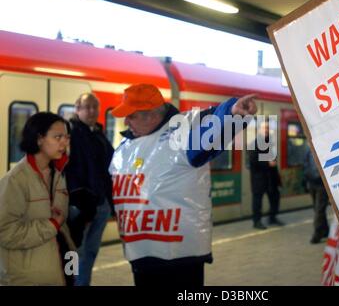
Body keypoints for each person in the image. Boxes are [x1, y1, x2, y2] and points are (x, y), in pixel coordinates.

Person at [109, 83, 257, 286]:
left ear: (151, 115)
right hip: (141, 251)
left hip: (179, 256)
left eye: (131, 116)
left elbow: (211, 129)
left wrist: (232, 113)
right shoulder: (126, 146)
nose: (125, 121)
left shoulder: (182, 134)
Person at [0, 112, 75, 285]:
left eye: (66, 137)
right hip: (27, 279)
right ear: (39, 139)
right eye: (58, 137)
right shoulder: (16, 180)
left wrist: (73, 267)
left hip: (63, 270)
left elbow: (62, 226)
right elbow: (5, 232)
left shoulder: (58, 174)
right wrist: (51, 225)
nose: (64, 142)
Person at [65, 93, 114, 286]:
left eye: (95, 107)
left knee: (91, 251)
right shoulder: (71, 134)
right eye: (87, 107)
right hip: (80, 206)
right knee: (75, 251)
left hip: (100, 205)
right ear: (77, 110)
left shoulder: (98, 134)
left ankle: (83, 284)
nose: (92, 111)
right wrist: (77, 197)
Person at [248, 121, 283, 230]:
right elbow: (253, 161)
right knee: (257, 200)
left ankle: (272, 217)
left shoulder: (270, 143)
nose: (266, 130)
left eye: (267, 128)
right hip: (259, 178)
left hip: (271, 178)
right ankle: (256, 221)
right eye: (264, 128)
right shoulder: (253, 144)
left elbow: (273, 158)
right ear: (259, 130)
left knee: (275, 198)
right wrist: (267, 162)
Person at [303, 143, 329, 244]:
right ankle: (325, 230)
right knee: (317, 209)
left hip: (322, 184)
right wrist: (306, 179)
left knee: (319, 210)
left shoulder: (323, 145)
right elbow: (305, 163)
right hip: (311, 183)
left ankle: (317, 234)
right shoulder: (308, 147)